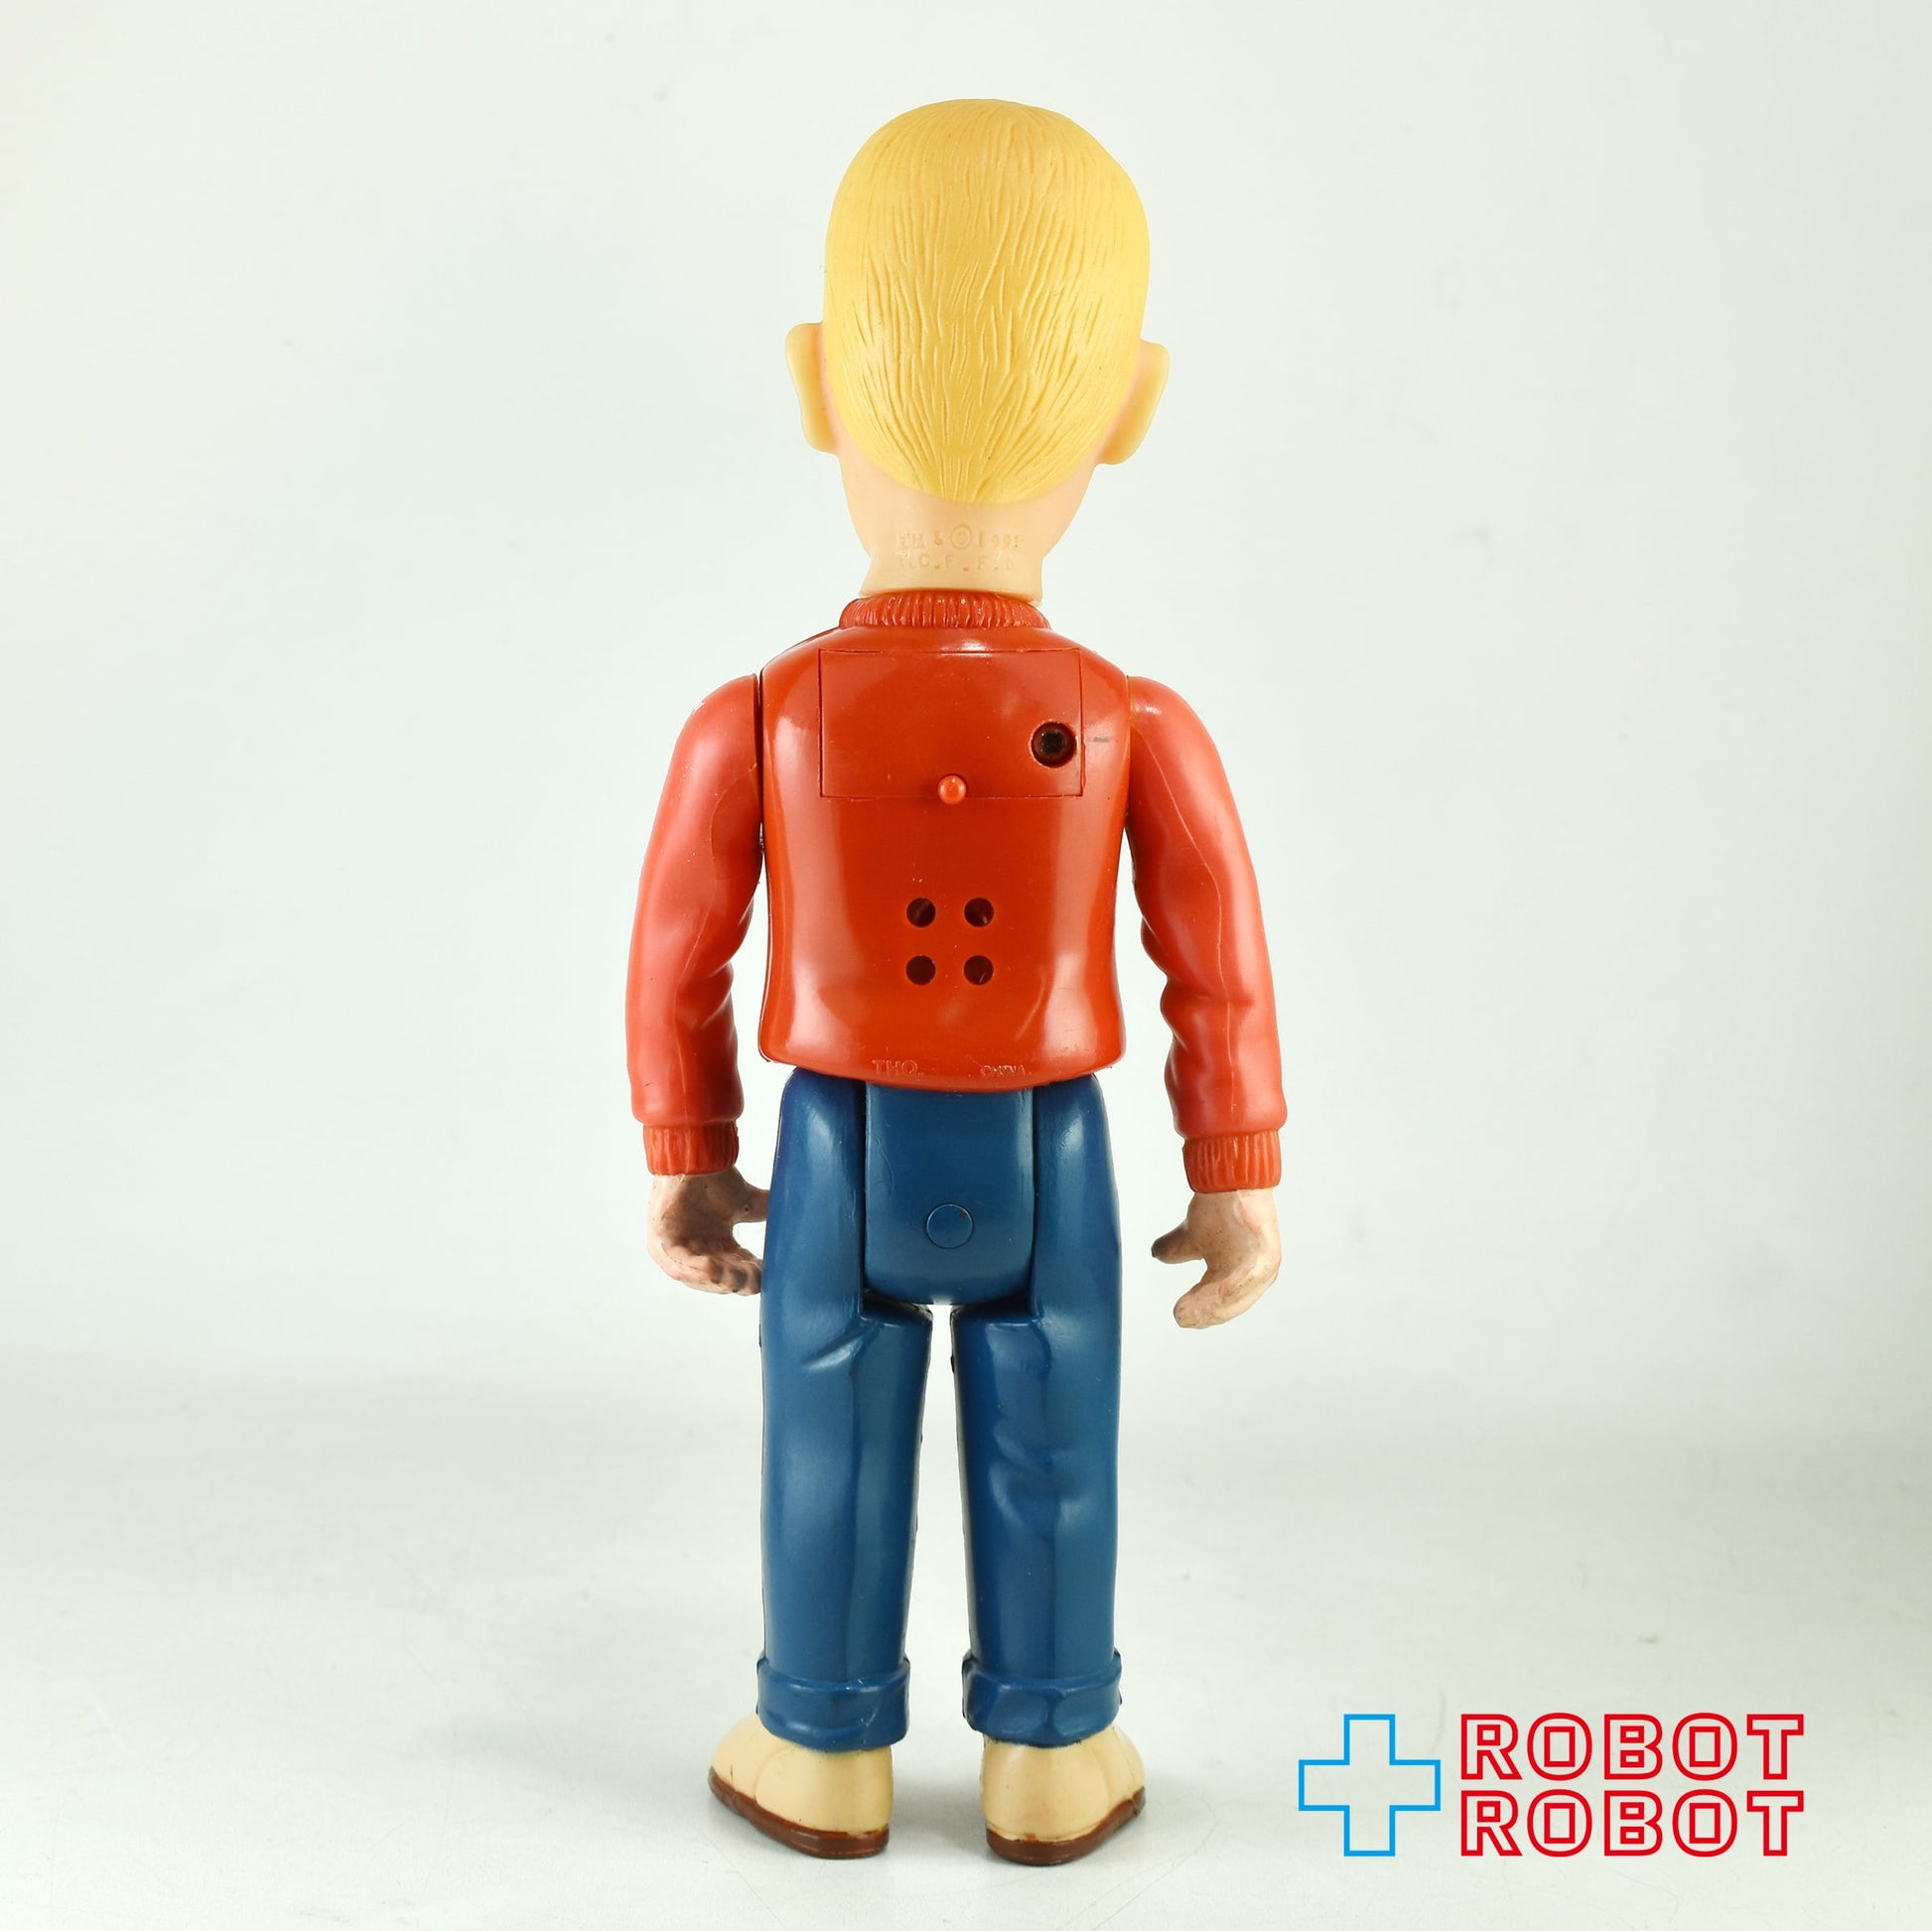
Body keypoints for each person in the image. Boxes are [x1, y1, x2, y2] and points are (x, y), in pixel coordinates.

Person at [625, 98, 1285, 1864]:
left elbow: (678, 951)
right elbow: (1215, 960)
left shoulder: (756, 716)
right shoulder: (1137, 721)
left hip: (836, 1142)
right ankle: (1054, 1748)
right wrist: (1233, 1171)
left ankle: (818, 1740)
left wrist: (687, 1147)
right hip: (1048, 1151)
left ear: (814, 381)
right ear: (1130, 407)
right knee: (1056, 1436)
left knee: (826, 1438)